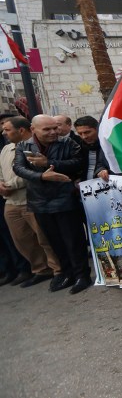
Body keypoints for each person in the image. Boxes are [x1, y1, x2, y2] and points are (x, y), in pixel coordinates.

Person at [13, 115, 90, 294]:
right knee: (54, 241)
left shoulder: (68, 143)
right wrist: (41, 176)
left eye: (55, 128)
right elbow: (18, 168)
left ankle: (82, 275)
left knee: (74, 240)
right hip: (39, 201)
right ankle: (67, 274)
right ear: (33, 130)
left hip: (65, 198)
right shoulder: (23, 146)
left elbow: (79, 162)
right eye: (47, 129)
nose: (53, 132)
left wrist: (49, 163)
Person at [0, 116, 60, 288]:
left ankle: (58, 269)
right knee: (22, 239)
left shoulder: (32, 147)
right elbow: (1, 171)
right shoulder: (6, 149)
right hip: (11, 202)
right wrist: (1, 184)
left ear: (20, 130)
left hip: (31, 199)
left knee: (44, 238)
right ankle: (40, 269)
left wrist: (10, 185)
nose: (4, 133)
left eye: (7, 129)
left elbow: (31, 173)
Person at [73, 115, 109, 181]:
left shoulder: (108, 146)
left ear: (97, 129)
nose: (84, 137)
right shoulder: (78, 148)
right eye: (80, 134)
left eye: (87, 132)